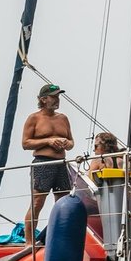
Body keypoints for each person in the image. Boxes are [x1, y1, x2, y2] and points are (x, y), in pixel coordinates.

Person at [21, 82, 75, 236]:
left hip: (61, 163)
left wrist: (66, 143)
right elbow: (25, 143)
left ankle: (58, 236)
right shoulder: (34, 118)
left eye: (58, 96)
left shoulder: (63, 118)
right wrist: (48, 141)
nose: (57, 99)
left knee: (63, 202)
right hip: (43, 162)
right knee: (37, 202)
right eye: (53, 97)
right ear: (43, 99)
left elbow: (71, 142)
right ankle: (29, 242)